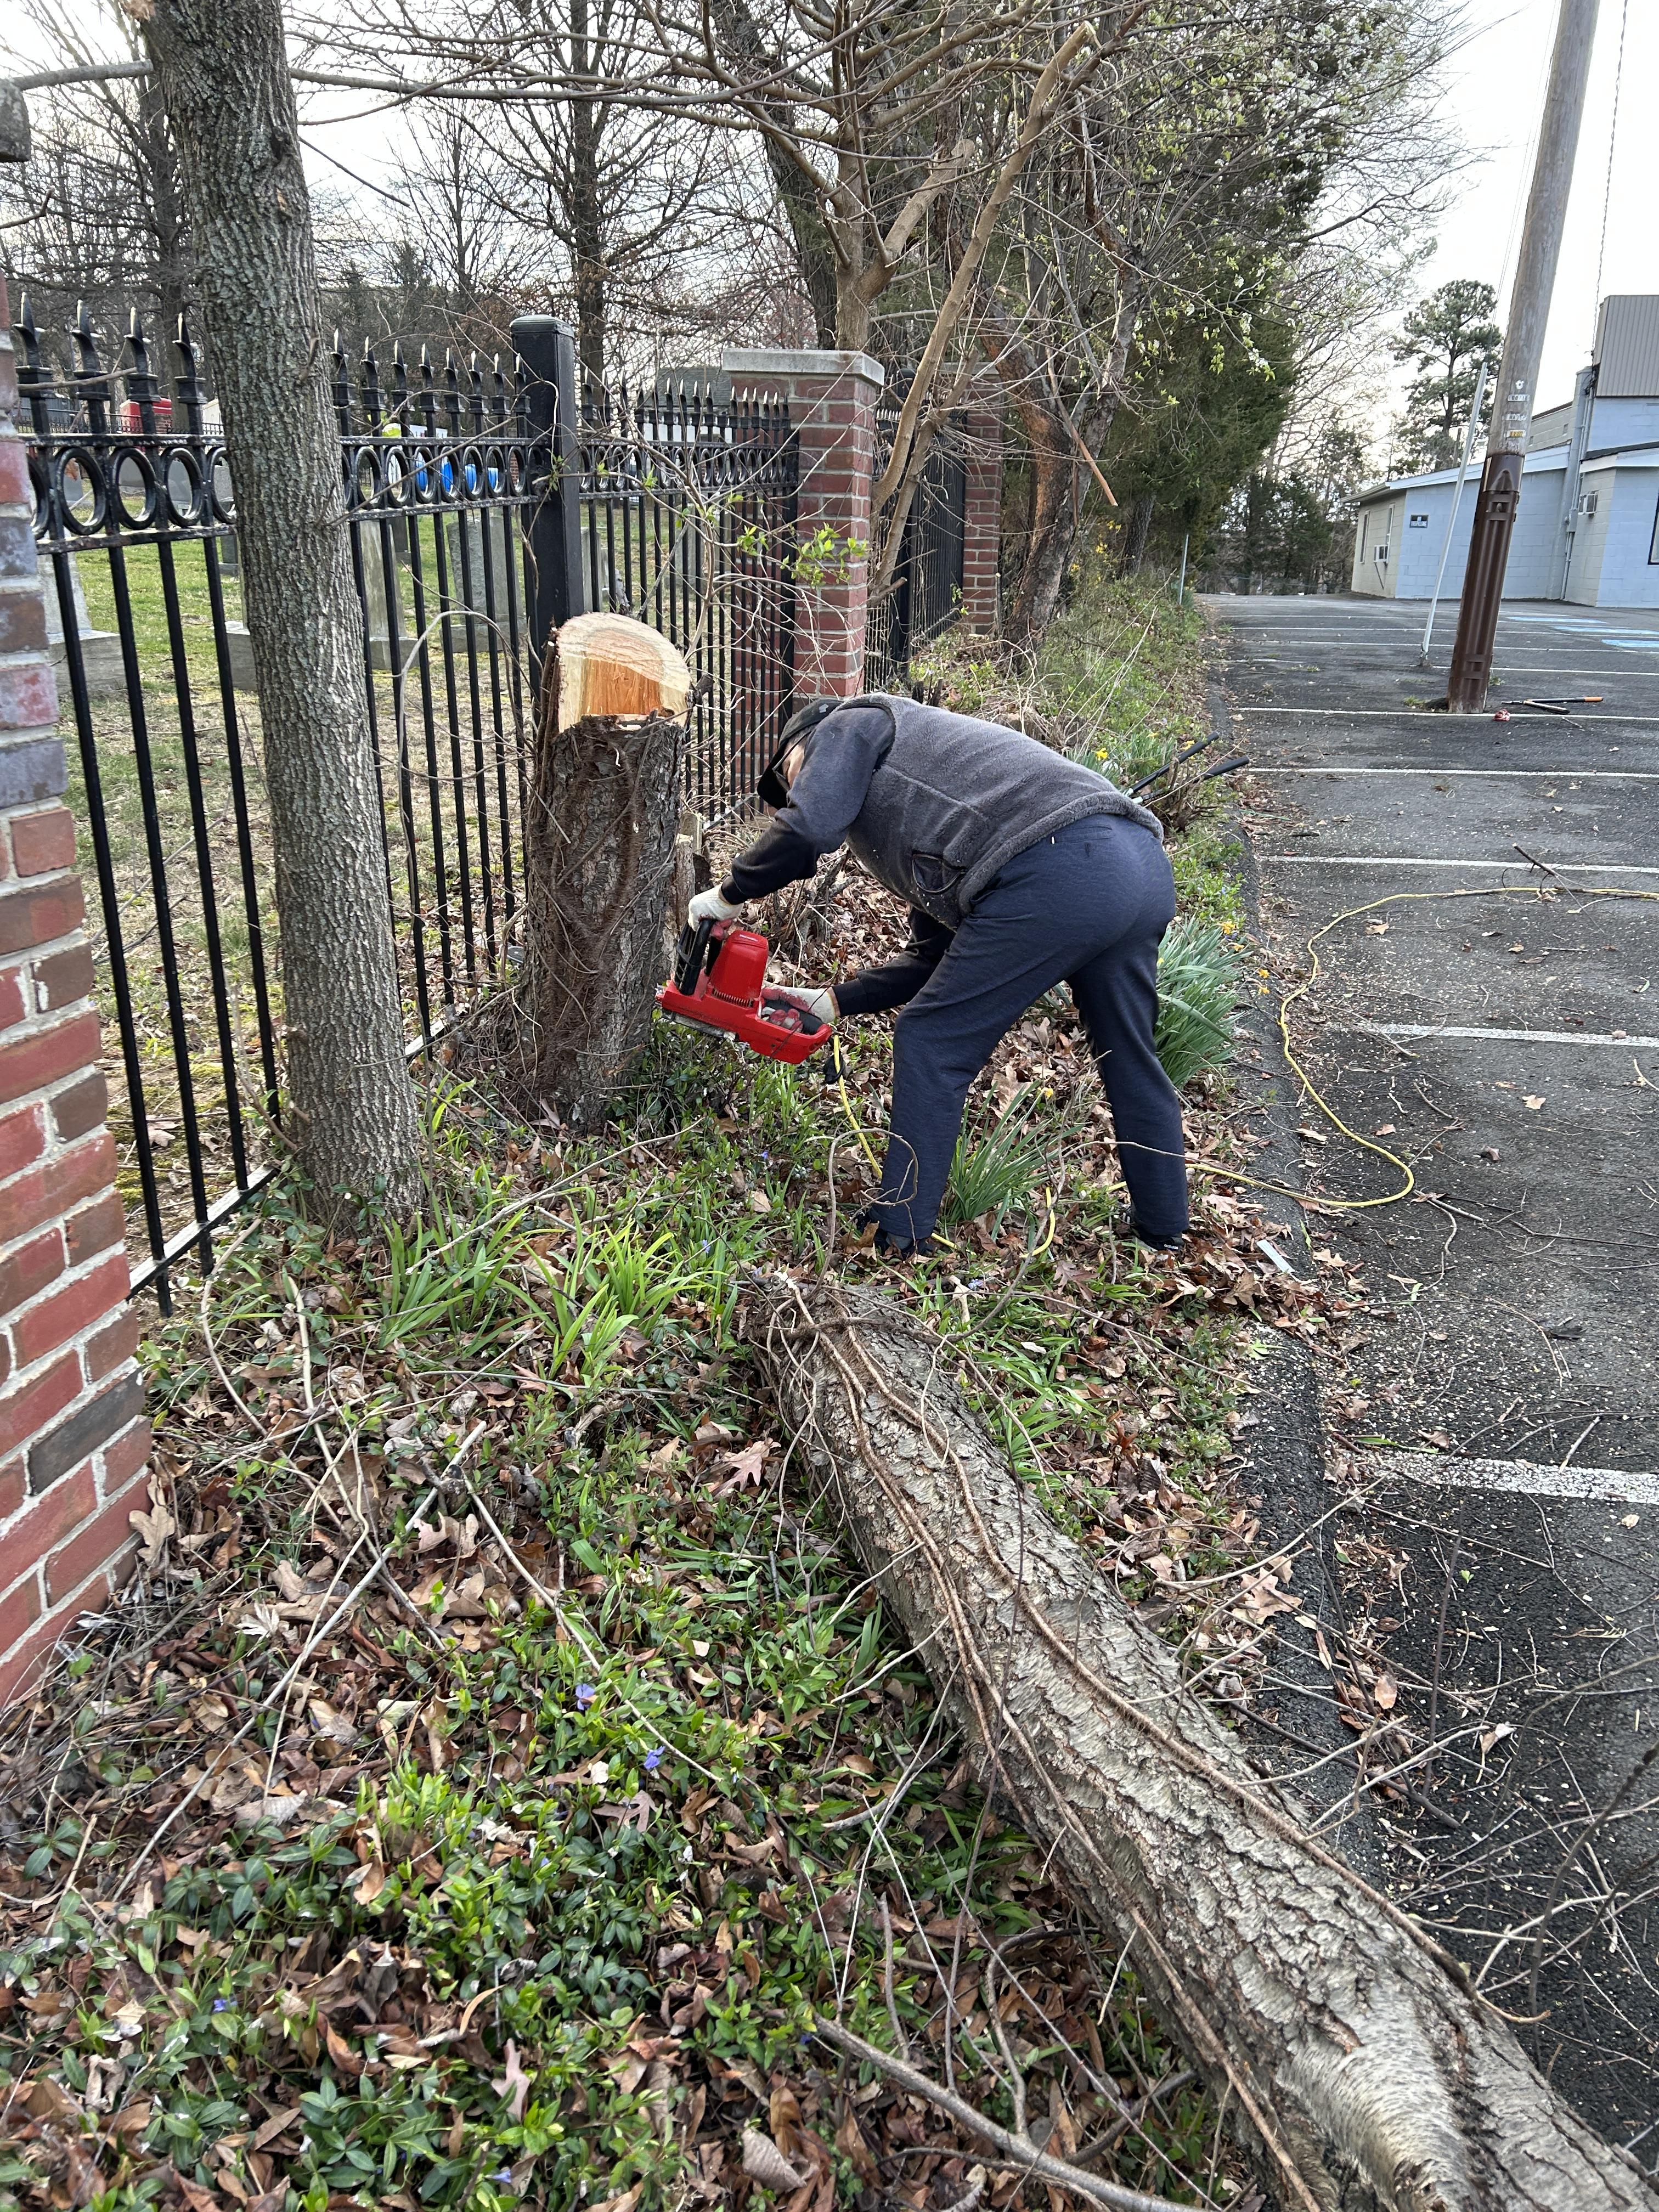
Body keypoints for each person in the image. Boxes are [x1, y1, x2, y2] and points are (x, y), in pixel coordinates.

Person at [686, 693, 1189, 1255]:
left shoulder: (853, 722)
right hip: (1137, 867)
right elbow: (932, 962)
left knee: (931, 1039)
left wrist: (730, 894)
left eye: (790, 777)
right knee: (1127, 1052)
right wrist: (832, 1001)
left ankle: (900, 1230)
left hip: (1063, 863)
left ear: (802, 744)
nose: (794, 793)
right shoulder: (932, 812)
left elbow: (807, 831)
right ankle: (1163, 1225)